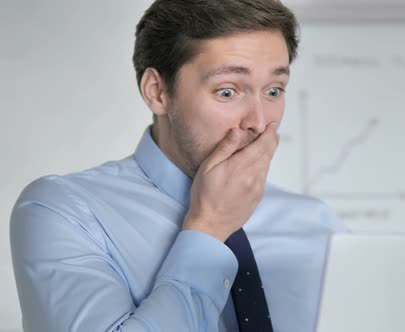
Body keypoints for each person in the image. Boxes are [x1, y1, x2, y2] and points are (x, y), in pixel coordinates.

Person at [9, 0, 345, 331]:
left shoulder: (314, 222)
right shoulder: (64, 213)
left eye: (274, 90)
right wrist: (209, 228)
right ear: (157, 92)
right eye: (227, 92)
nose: (258, 121)